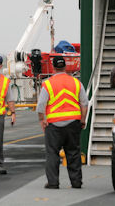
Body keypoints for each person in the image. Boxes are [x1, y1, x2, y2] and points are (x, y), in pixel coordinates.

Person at [37, 56, 88, 189]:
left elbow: (41, 105)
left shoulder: (47, 84)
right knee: (73, 153)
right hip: (73, 123)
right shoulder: (76, 83)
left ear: (53, 68)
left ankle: (53, 183)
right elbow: (84, 103)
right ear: (65, 67)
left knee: (52, 153)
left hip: (54, 125)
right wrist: (82, 119)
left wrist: (42, 120)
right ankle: (76, 182)